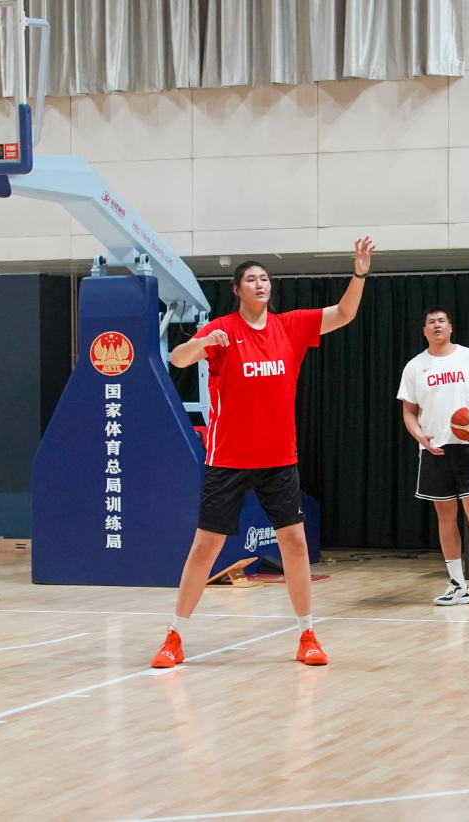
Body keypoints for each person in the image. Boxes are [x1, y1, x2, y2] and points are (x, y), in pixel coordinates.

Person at [151, 239, 376, 669]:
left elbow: (344, 313)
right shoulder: (222, 330)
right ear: (237, 290)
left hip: (278, 459)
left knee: (294, 542)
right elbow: (177, 360)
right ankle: (174, 637)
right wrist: (203, 342)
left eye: (265, 278)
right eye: (251, 279)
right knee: (205, 547)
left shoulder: (289, 327)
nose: (260, 283)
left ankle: (307, 635)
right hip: (228, 459)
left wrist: (359, 274)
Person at [397, 307, 469, 608]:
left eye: (441, 321)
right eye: (431, 322)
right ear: (424, 331)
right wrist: (420, 437)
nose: (436, 325)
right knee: (445, 517)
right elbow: (408, 411)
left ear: (450, 327)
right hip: (435, 450)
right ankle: (458, 585)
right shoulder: (415, 366)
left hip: (467, 448)